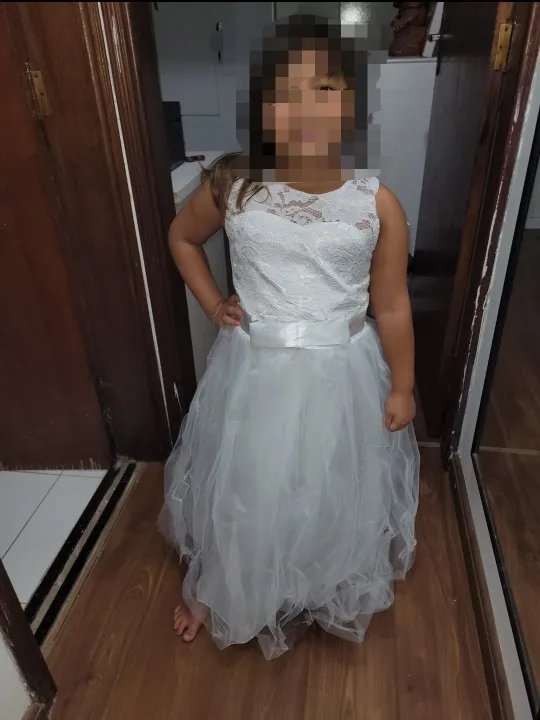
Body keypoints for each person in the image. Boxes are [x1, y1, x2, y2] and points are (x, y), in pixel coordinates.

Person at [159, 15, 420, 661]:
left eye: (324, 89)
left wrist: (405, 386)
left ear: (353, 104)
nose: (305, 107)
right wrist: (214, 302)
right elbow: (182, 238)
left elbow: (391, 304)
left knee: (329, 481)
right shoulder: (234, 185)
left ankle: (318, 574)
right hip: (254, 373)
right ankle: (227, 587)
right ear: (262, 109)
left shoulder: (376, 204)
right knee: (249, 484)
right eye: (284, 93)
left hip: (343, 375)